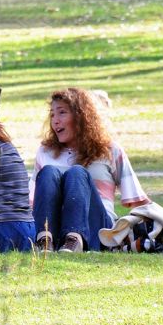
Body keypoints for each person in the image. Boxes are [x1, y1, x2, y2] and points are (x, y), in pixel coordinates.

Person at [32, 87, 150, 253]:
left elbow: (138, 201)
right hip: (56, 228)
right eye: (52, 114)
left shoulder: (110, 151)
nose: (55, 120)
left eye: (62, 113)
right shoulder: (45, 152)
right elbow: (33, 201)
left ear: (81, 116)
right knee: (49, 171)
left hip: (97, 228)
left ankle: (75, 240)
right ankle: (44, 241)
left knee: (77, 173)